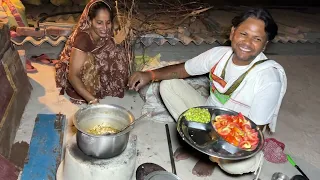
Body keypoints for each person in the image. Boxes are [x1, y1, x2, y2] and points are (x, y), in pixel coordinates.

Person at [128, 8, 287, 176]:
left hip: (236, 132)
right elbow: (183, 70)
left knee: (235, 167)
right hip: (209, 117)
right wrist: (150, 74)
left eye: (257, 39)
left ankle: (207, 155)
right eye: (243, 34)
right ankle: (198, 146)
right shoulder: (219, 55)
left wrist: (215, 153)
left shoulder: (269, 79)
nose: (247, 43)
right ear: (233, 33)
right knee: (168, 86)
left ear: (265, 44)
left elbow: (253, 131)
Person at [55, 0, 129, 104]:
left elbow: (117, 28)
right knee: (92, 58)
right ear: (90, 21)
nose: (104, 28)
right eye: (99, 23)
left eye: (108, 22)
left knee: (115, 49)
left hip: (92, 66)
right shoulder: (83, 40)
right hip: (75, 76)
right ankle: (87, 92)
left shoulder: (105, 30)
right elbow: (72, 76)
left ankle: (104, 85)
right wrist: (92, 100)